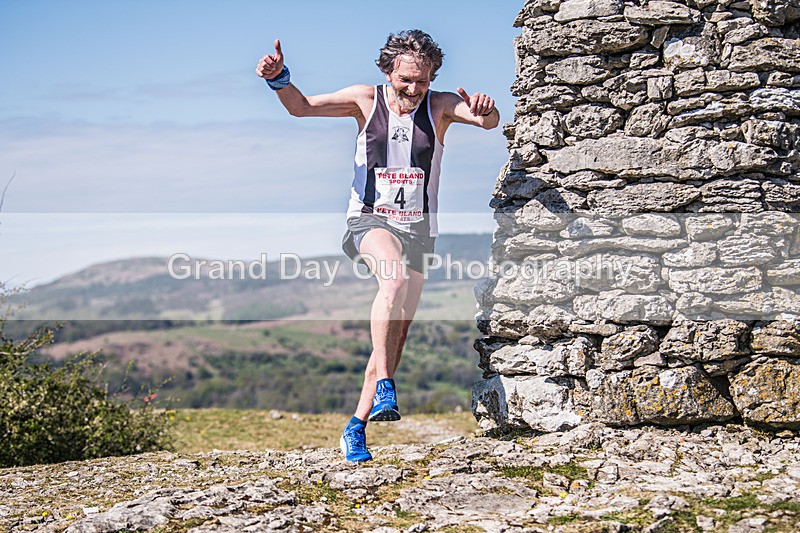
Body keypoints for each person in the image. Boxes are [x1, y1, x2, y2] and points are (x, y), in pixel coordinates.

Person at [256, 29, 499, 462]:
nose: (413, 88)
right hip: (370, 219)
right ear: (388, 71)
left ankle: (356, 425)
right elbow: (302, 106)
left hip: (420, 230)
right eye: (405, 79)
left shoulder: (440, 105)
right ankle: (386, 384)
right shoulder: (365, 99)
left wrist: (485, 109)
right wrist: (279, 78)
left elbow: (487, 122)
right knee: (393, 279)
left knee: (396, 334)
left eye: (421, 80)